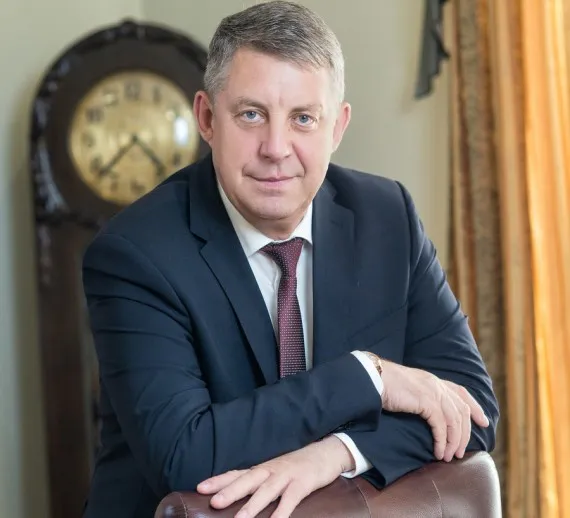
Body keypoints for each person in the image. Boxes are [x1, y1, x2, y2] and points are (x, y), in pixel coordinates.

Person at [81, 2, 499, 517]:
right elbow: (186, 455)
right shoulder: (135, 254)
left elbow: (473, 410)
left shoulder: (387, 216)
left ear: (337, 127)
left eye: (303, 118)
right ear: (208, 118)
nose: (276, 148)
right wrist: (370, 377)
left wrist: (335, 454)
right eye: (251, 115)